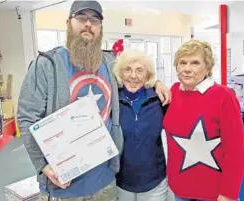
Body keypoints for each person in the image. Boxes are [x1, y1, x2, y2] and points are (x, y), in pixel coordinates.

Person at [17, 1, 170, 200]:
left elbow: (134, 75)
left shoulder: (109, 63)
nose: (88, 24)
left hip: (105, 181)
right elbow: (27, 118)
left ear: (100, 28)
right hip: (63, 187)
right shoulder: (47, 64)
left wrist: (155, 82)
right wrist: (43, 165)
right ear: (68, 23)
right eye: (81, 18)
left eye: (94, 20)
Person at [163, 40, 244, 201]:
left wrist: (228, 193)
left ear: (207, 67)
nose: (187, 69)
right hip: (179, 188)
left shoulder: (224, 96)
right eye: (182, 63)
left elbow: (235, 149)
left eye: (195, 63)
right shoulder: (173, 92)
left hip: (212, 192)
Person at [112, 50, 168, 201]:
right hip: (121, 182)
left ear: (148, 75)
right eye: (127, 69)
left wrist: (158, 83)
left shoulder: (160, 100)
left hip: (155, 181)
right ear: (120, 73)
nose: (133, 76)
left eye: (139, 70)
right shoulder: (112, 100)